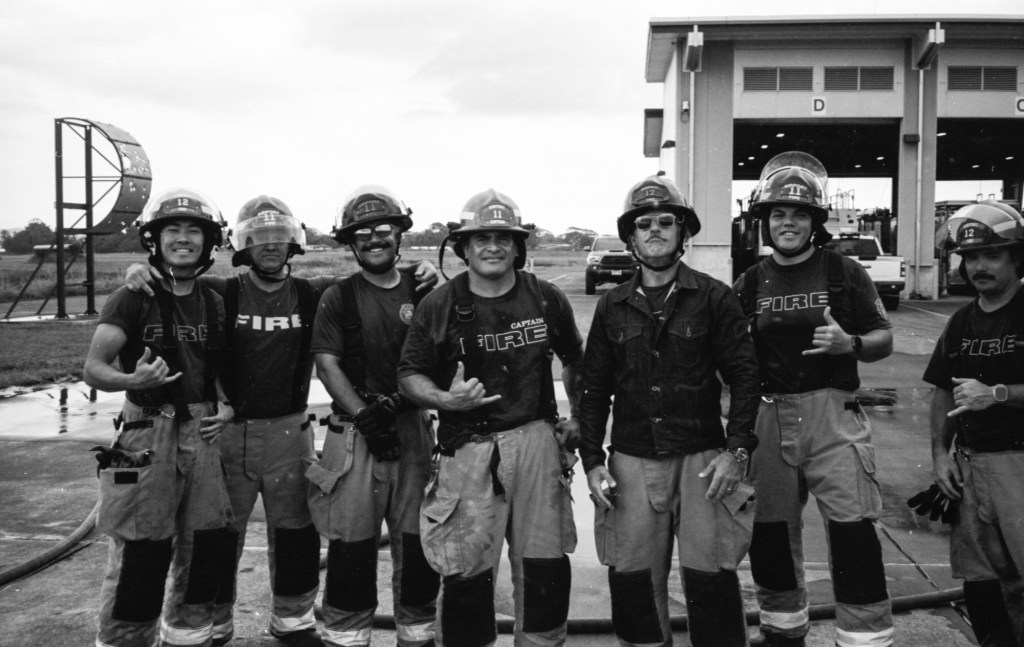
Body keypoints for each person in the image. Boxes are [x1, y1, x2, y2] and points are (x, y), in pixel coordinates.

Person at [122, 196, 438, 646]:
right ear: (243, 246)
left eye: (278, 239)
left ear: (294, 244)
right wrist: (139, 270)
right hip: (227, 433)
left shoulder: (314, 292)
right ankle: (210, 623)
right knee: (216, 536)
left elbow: (374, 278)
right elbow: (175, 278)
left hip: (291, 431)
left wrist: (418, 270)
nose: (270, 247)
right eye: (259, 239)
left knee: (297, 534)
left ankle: (293, 620)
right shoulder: (220, 291)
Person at [397, 188, 585, 647]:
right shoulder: (439, 305)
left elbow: (576, 359)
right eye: (481, 238)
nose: (493, 247)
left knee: (545, 565)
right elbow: (409, 376)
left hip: (537, 442)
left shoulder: (546, 298)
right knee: (467, 572)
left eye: (504, 238)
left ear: (518, 246)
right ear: (463, 247)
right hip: (469, 450)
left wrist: (579, 415)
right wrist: (446, 399)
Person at [578, 175, 760, 647]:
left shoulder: (715, 297)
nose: (654, 230)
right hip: (632, 461)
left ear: (682, 232)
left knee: (711, 576)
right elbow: (593, 390)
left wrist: (736, 451)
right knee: (632, 578)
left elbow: (745, 378)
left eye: (665, 221)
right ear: (631, 237)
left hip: (704, 462)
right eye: (644, 224)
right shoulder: (612, 306)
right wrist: (592, 461)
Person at [733, 152, 894, 647]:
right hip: (769, 418)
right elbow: (730, 357)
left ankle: (864, 637)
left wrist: (851, 344)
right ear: (764, 222)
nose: (788, 223)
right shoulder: (749, 283)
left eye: (799, 214)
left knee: (852, 531)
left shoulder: (844, 272)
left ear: (814, 221)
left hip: (833, 418)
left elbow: (884, 338)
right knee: (771, 533)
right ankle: (783, 631)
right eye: (778, 213)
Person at [84, 187, 236, 647]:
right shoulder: (132, 297)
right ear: (155, 239)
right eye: (173, 229)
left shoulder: (213, 300)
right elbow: (93, 369)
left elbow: (215, 366)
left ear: (209, 242)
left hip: (203, 430)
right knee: (141, 546)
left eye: (194, 231)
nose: (183, 238)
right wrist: (132, 380)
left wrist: (226, 405)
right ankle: (125, 640)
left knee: (206, 541)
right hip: (146, 430)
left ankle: (187, 636)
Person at [307, 186, 439, 647]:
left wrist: (401, 406)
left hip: (413, 429)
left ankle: (417, 634)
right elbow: (327, 365)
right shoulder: (338, 298)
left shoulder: (424, 289)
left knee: (418, 541)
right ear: (350, 242)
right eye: (362, 233)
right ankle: (346, 636)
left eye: (383, 228)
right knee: (351, 545)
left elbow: (443, 352)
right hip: (354, 435)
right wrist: (366, 416)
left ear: (400, 234)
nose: (374, 239)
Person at [923, 201, 1024, 646]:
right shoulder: (961, 322)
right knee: (981, 579)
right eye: (970, 257)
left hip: (1018, 466)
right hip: (970, 471)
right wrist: (938, 454)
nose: (979, 266)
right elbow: (942, 390)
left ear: (1017, 258)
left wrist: (997, 394)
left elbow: (985, 394)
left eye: (992, 255)